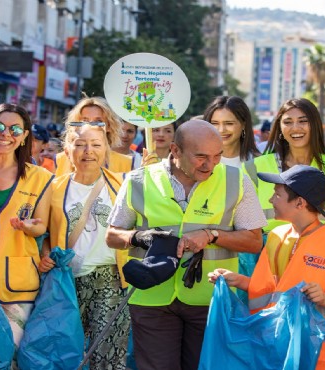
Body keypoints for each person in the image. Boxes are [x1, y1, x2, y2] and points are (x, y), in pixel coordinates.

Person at [106, 120, 265, 370]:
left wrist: (211, 235)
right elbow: (112, 235)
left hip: (211, 299)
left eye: (217, 156)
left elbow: (255, 241)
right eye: (201, 156)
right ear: (175, 150)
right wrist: (138, 237)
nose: (210, 165)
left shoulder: (237, 180)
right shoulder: (138, 179)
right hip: (151, 297)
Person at [209, 165, 325, 370]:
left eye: (277, 195)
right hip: (275, 347)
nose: (270, 200)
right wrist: (236, 279)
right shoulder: (276, 237)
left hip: (318, 352)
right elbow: (270, 290)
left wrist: (324, 297)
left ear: (300, 202)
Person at [0, 104, 53, 362]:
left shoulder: (40, 177)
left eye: (16, 129)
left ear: (25, 136)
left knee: (8, 355)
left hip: (16, 281)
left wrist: (31, 227)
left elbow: (42, 225)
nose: (6, 134)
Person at [48, 121, 130, 369]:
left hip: (111, 279)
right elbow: (42, 235)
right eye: (80, 144)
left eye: (96, 144)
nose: (88, 151)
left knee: (107, 355)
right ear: (67, 148)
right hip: (66, 282)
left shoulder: (123, 184)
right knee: (65, 352)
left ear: (106, 148)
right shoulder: (53, 188)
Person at [245, 98, 325, 236]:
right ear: (280, 128)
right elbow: (245, 228)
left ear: (315, 125)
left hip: (318, 254)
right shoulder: (253, 167)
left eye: (303, 121)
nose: (295, 128)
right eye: (288, 122)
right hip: (269, 253)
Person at [55, 97, 132, 175]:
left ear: (109, 126)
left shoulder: (127, 164)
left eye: (98, 121)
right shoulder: (57, 161)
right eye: (84, 121)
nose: (90, 126)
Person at [203, 95, 261, 168]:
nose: (221, 130)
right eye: (215, 123)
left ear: (243, 124)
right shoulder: (199, 162)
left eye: (229, 123)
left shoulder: (258, 161)